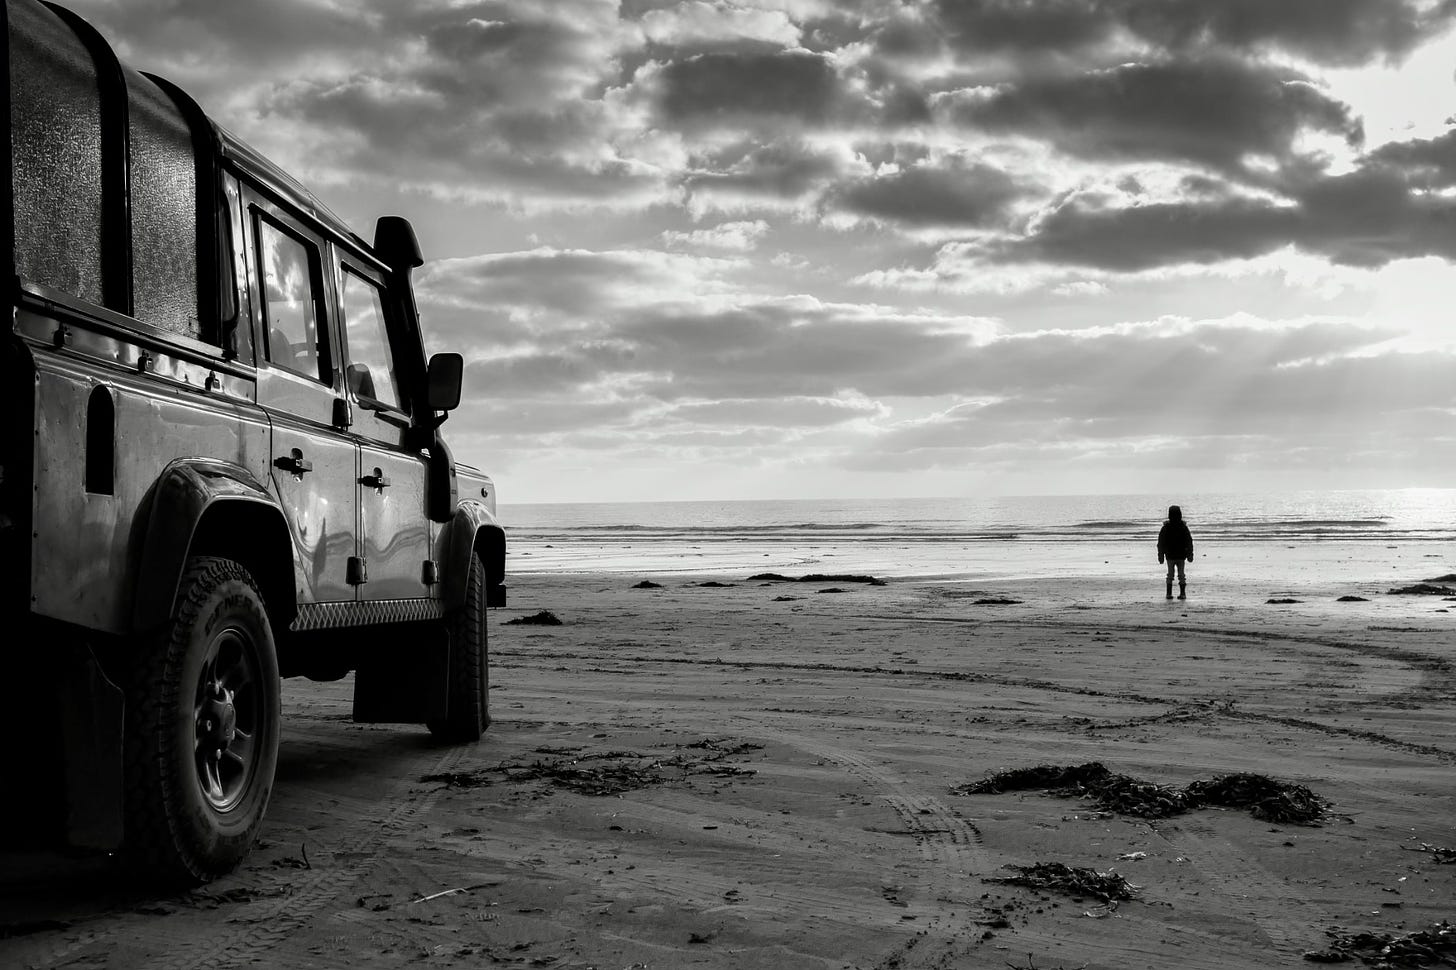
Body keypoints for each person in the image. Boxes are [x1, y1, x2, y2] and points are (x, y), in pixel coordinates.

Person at [1157, 505, 1194, 600]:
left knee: (1170, 574)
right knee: (1181, 575)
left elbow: (1160, 542)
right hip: (1181, 555)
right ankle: (1182, 593)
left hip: (1170, 555)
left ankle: (1169, 594)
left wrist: (1160, 555)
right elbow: (1189, 541)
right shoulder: (1183, 527)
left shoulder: (1166, 527)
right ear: (1180, 514)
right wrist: (1190, 554)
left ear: (1169, 515)